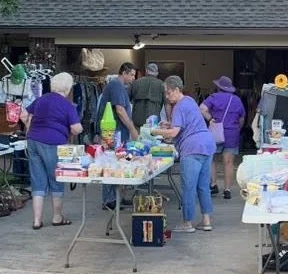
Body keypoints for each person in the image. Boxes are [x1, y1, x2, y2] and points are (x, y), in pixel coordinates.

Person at [153, 75, 217, 232]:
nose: (167, 97)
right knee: (203, 185)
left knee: (188, 186)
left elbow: (174, 132)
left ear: (176, 90)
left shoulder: (179, 106)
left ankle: (187, 223)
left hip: (193, 148)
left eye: (168, 93)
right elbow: (186, 123)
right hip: (207, 145)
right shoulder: (190, 101)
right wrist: (169, 124)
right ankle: (206, 220)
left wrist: (155, 131)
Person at [20, 71, 81, 229]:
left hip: (33, 141)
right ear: (67, 89)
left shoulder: (41, 99)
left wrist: (28, 127)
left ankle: (37, 220)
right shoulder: (68, 105)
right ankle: (56, 217)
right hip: (53, 143)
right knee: (56, 179)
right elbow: (75, 129)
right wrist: (79, 128)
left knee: (37, 181)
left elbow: (23, 114)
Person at [98, 62, 141, 209]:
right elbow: (120, 110)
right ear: (124, 72)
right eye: (132, 75)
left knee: (120, 162)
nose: (133, 78)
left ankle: (117, 197)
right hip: (113, 133)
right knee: (111, 162)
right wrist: (133, 129)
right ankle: (109, 199)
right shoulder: (116, 86)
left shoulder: (120, 87)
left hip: (117, 133)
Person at [202, 76, 246, 200]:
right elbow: (242, 118)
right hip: (232, 133)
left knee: (210, 158)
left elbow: (202, 109)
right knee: (228, 162)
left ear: (218, 87)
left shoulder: (213, 97)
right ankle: (227, 190)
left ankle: (213, 184)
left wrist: (210, 119)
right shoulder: (237, 100)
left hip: (216, 132)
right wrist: (237, 129)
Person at [129, 60, 166, 130]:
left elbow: (127, 101)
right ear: (157, 73)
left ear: (146, 71)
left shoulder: (135, 83)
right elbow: (167, 104)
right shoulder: (162, 85)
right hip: (153, 121)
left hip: (137, 120)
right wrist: (169, 120)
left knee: (137, 140)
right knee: (152, 140)